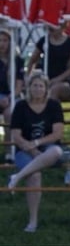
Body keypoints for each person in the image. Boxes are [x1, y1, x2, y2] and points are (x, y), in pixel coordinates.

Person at [7, 71, 65, 233]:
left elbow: (58, 134)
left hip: (48, 148)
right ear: (29, 88)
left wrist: (37, 143)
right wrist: (32, 150)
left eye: (41, 86)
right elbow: (16, 136)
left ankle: (16, 178)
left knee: (57, 151)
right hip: (24, 149)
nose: (38, 89)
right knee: (35, 175)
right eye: (34, 85)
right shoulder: (20, 106)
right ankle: (33, 221)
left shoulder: (53, 105)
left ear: (46, 88)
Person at [26, 19, 70, 102]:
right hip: (44, 80)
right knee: (36, 88)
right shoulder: (44, 41)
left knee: (54, 90)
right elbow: (32, 60)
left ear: (63, 27)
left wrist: (56, 80)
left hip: (65, 82)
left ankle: (51, 112)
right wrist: (29, 76)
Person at [0, 28, 25, 162]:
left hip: (12, 95)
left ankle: (9, 150)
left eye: (5, 40)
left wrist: (9, 97)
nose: (2, 44)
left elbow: (19, 85)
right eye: (0, 40)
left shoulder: (17, 60)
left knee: (10, 113)